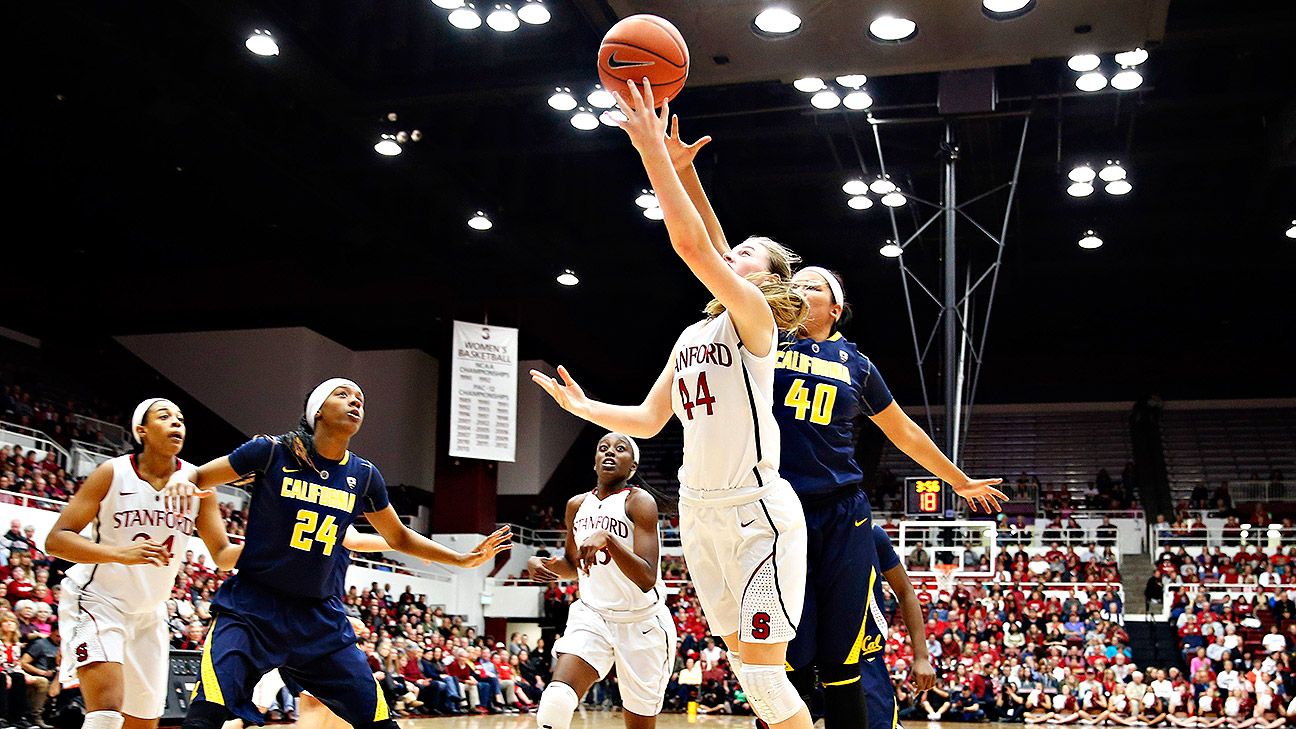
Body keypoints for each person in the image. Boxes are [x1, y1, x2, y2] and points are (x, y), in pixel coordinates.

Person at [531, 81, 814, 729]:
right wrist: (583, 407)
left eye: (746, 255)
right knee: (751, 673)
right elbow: (650, 420)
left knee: (766, 678)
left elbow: (696, 246)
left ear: (768, 281)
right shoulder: (695, 336)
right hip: (702, 516)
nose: (730, 254)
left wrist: (652, 150)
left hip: (756, 516)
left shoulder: (754, 322)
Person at [161, 379, 511, 729]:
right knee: (205, 715)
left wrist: (462, 559)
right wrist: (186, 482)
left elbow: (399, 537)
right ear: (316, 412)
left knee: (380, 722)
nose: (355, 402)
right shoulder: (271, 452)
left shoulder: (364, 475)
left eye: (360, 398)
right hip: (253, 608)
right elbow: (199, 475)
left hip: (319, 619)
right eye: (342, 395)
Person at [45, 399, 243, 729]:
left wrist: (271, 546)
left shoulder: (196, 483)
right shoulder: (113, 473)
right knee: (106, 713)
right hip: (99, 601)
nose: (177, 423)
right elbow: (56, 540)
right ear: (142, 431)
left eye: (180, 418)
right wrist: (120, 554)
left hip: (150, 614)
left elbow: (222, 556)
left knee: (143, 723)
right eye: (165, 417)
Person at [526, 433, 675, 729]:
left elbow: (646, 577)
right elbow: (572, 565)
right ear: (594, 463)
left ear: (632, 467)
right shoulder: (576, 505)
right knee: (555, 701)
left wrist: (609, 540)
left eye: (621, 449)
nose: (610, 452)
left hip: (642, 624)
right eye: (603, 448)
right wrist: (543, 565)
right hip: (593, 615)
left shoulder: (639, 501)